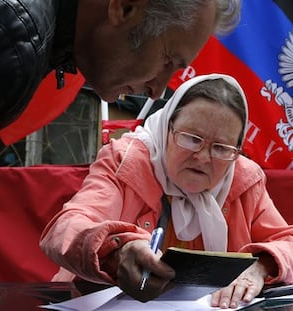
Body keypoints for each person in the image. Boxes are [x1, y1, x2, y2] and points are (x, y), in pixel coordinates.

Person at [0, 1, 241, 309]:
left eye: (223, 147)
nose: (158, 88)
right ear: (125, 7)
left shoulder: (24, 35)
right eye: (167, 60)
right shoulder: (5, 39)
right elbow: (71, 225)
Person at [40, 73, 293, 308]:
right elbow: (65, 229)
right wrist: (118, 251)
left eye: (221, 148)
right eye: (192, 138)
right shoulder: (126, 161)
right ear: (166, 128)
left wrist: (261, 267)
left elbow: (287, 243)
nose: (203, 157)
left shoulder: (243, 178)